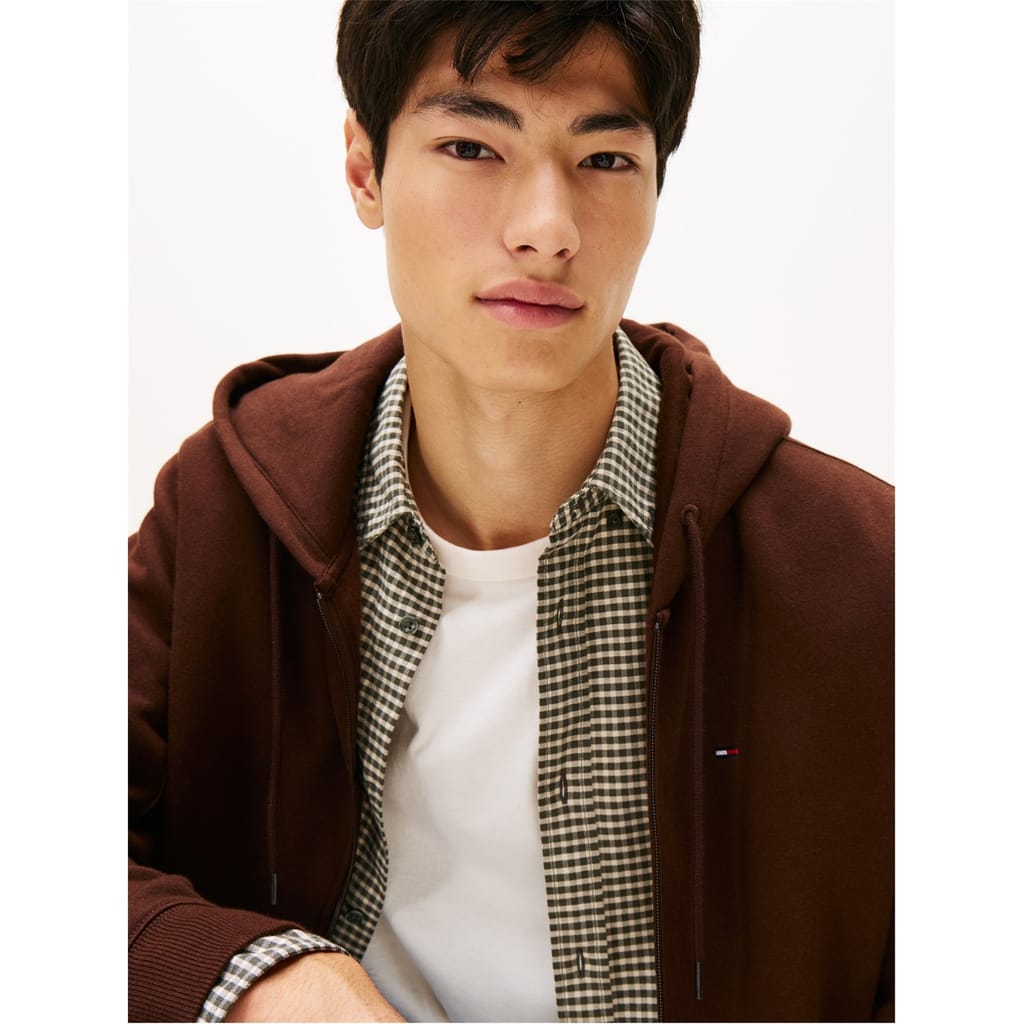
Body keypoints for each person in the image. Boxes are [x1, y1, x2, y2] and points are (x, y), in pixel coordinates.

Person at [128, 1, 894, 1021]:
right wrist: (262, 978)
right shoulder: (226, 508)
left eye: (605, 160)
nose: (548, 230)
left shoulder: (865, 567)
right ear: (364, 168)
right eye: (471, 147)